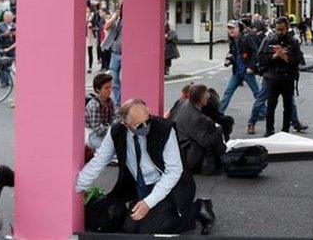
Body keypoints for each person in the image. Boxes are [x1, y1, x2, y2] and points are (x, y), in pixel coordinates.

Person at [76, 98, 216, 235]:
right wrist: (77, 185)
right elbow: (99, 161)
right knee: (129, 229)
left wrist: (148, 203)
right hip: (142, 188)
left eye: (148, 119)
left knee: (148, 230)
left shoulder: (164, 130)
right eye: (139, 125)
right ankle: (161, 215)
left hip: (172, 186)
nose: (146, 126)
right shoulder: (116, 132)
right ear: (125, 124)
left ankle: (197, 209)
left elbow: (174, 171)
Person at [257, 17, 305, 136]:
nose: (279, 32)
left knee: (288, 106)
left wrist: (285, 57)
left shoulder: (293, 42)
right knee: (271, 106)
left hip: (288, 78)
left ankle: (285, 131)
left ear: (287, 28)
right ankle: (269, 130)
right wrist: (274, 56)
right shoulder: (269, 40)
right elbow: (260, 58)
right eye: (277, 29)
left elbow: (300, 60)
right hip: (273, 78)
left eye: (282, 30)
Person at [166, 84, 229, 174]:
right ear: (201, 99)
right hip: (186, 156)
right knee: (213, 134)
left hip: (173, 150)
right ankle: (218, 161)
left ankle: (220, 159)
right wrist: (219, 129)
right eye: (206, 95)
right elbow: (206, 142)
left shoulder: (181, 103)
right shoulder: (199, 119)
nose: (208, 96)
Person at [219, 20, 266, 134]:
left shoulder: (246, 38)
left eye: (233, 28)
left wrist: (252, 66)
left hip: (246, 70)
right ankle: (219, 113)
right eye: (229, 28)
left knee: (256, 92)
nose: (231, 30)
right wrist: (228, 60)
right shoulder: (232, 40)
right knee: (228, 92)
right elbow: (233, 54)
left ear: (239, 29)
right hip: (237, 72)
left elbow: (256, 52)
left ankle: (264, 111)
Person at [86, 72, 116, 150]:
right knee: (107, 149)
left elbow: (114, 118)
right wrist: (112, 131)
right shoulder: (94, 104)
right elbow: (97, 129)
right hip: (92, 134)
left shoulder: (110, 101)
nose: (110, 90)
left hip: (105, 132)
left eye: (110, 87)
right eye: (106, 88)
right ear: (97, 89)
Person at [103, 5, 124, 105]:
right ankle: (118, 102)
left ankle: (124, 101)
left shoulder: (132, 17)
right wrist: (114, 17)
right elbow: (106, 27)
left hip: (126, 54)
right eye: (120, 7)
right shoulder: (117, 19)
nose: (121, 9)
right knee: (114, 79)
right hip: (115, 52)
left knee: (123, 79)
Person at [0, 12, 17, 87]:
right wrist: (4, 34)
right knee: (4, 65)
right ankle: (4, 81)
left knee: (9, 65)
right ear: (4, 17)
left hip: (11, 47)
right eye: (8, 17)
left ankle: (5, 80)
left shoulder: (14, 25)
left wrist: (14, 34)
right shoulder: (0, 25)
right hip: (3, 47)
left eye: (11, 17)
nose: (10, 18)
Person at [86, 6, 97, 74]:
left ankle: (90, 67)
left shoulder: (93, 16)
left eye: (87, 9)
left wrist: (92, 25)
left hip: (91, 36)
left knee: (90, 52)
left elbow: (96, 24)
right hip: (85, 36)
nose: (86, 11)